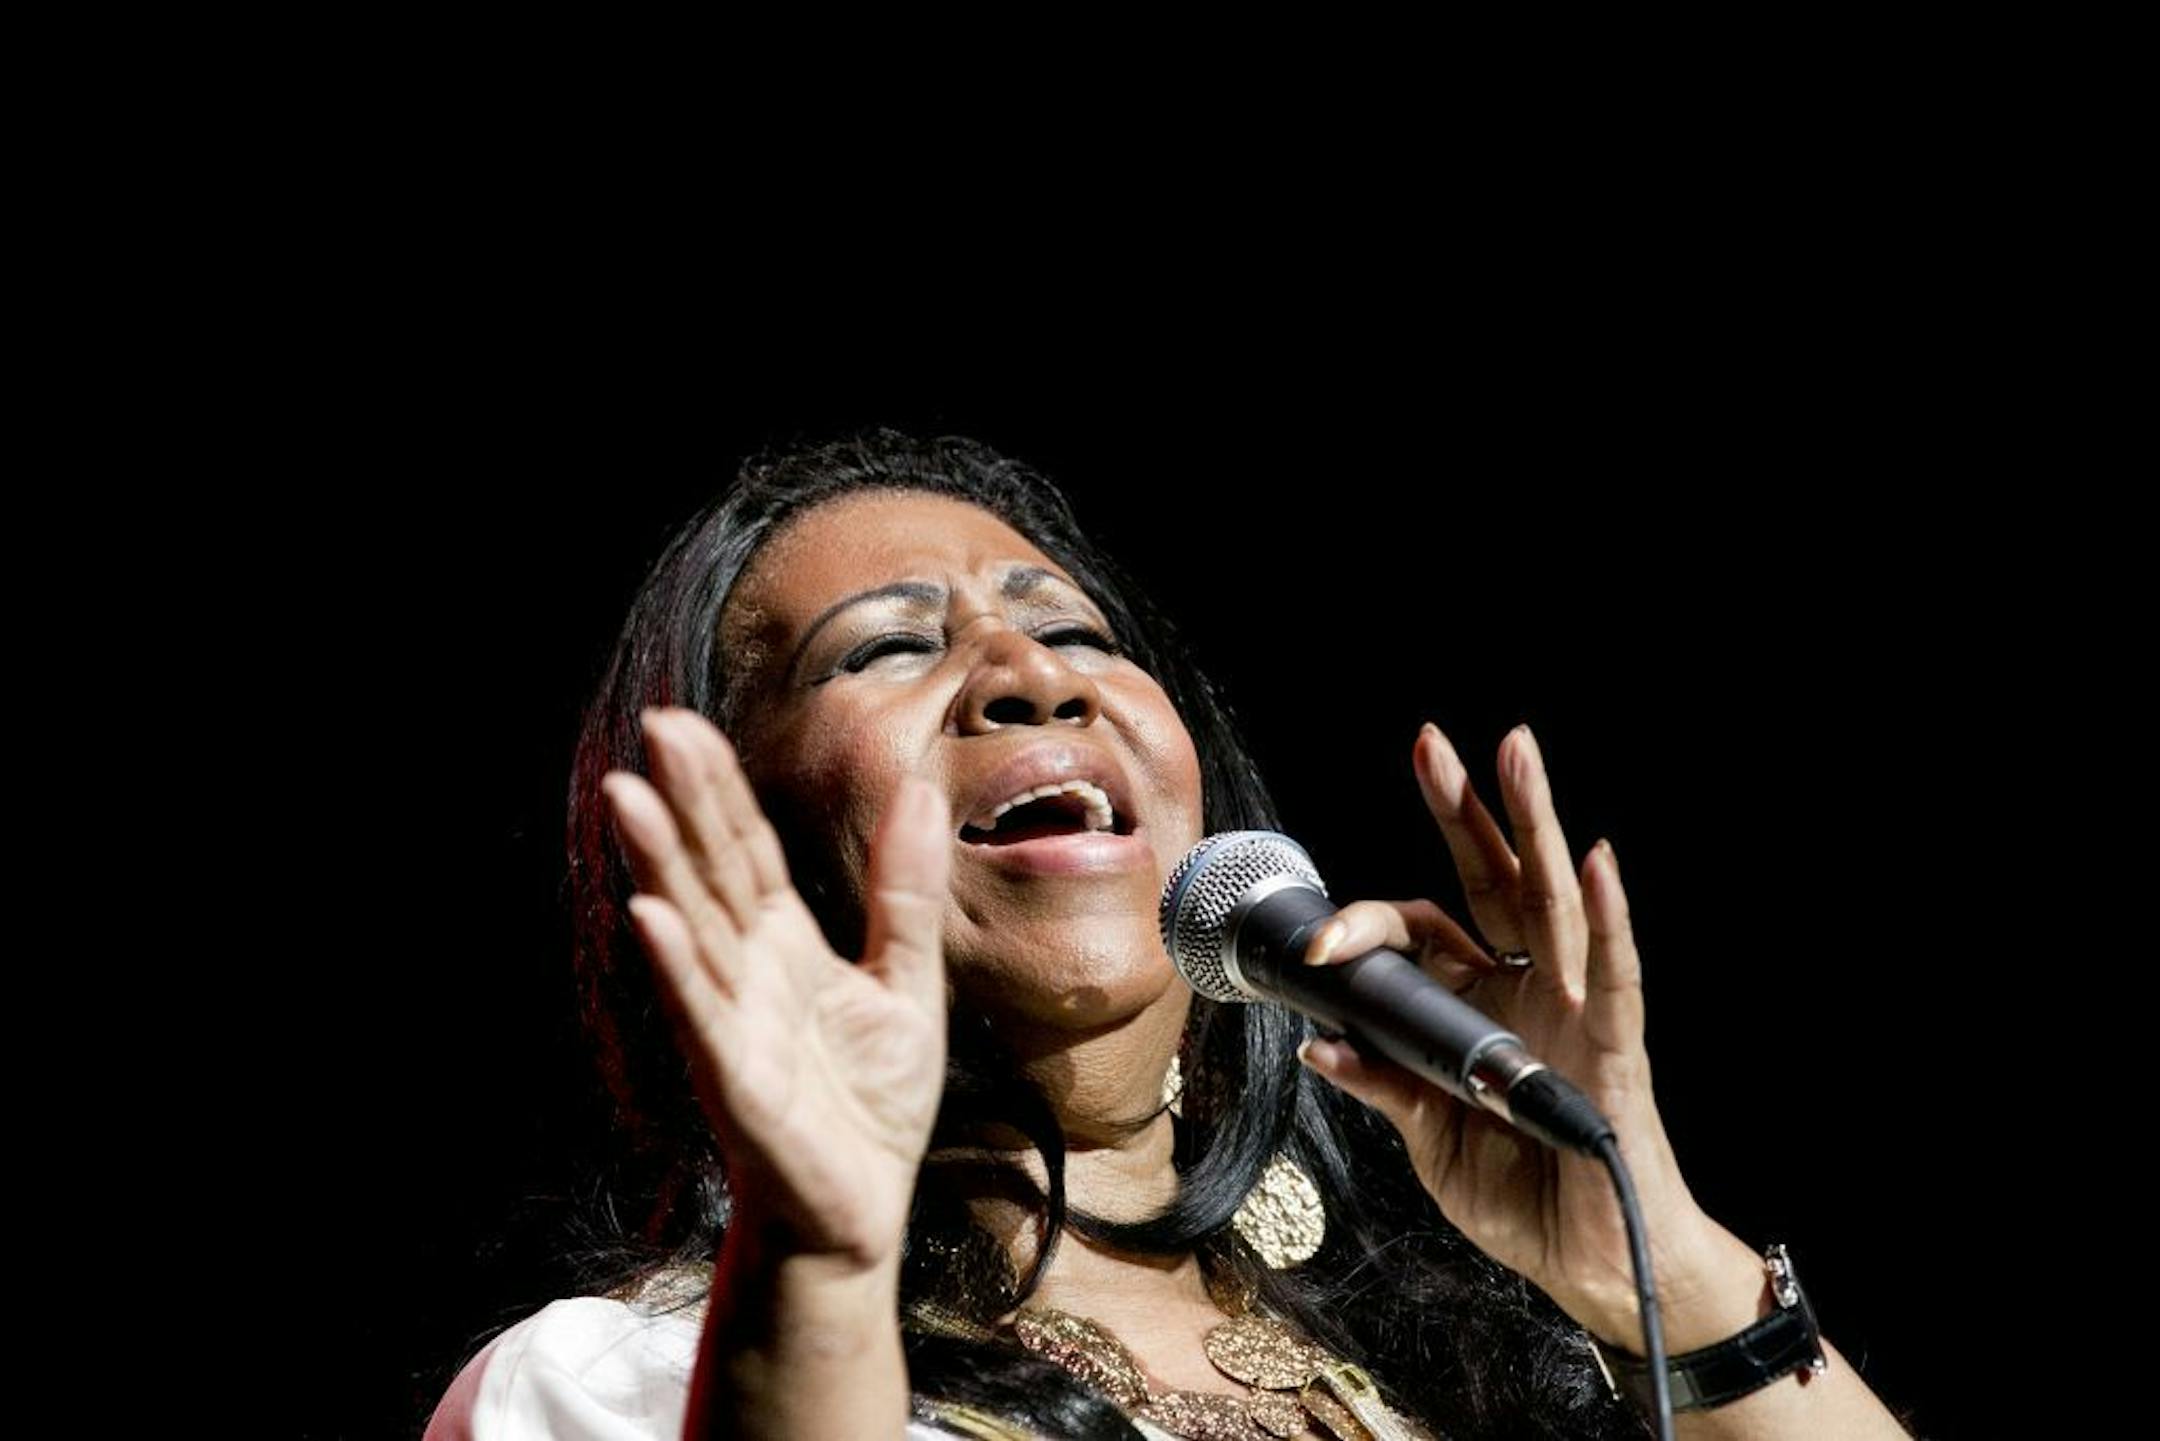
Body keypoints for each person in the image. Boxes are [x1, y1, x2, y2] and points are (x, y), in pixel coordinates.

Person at [425, 430, 1918, 1440]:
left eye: (1077, 633)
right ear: (737, 829)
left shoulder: (1472, 1352)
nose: (1030, 675)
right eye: (888, 646)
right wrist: (813, 1265)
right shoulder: (620, 1384)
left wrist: (1654, 1245)